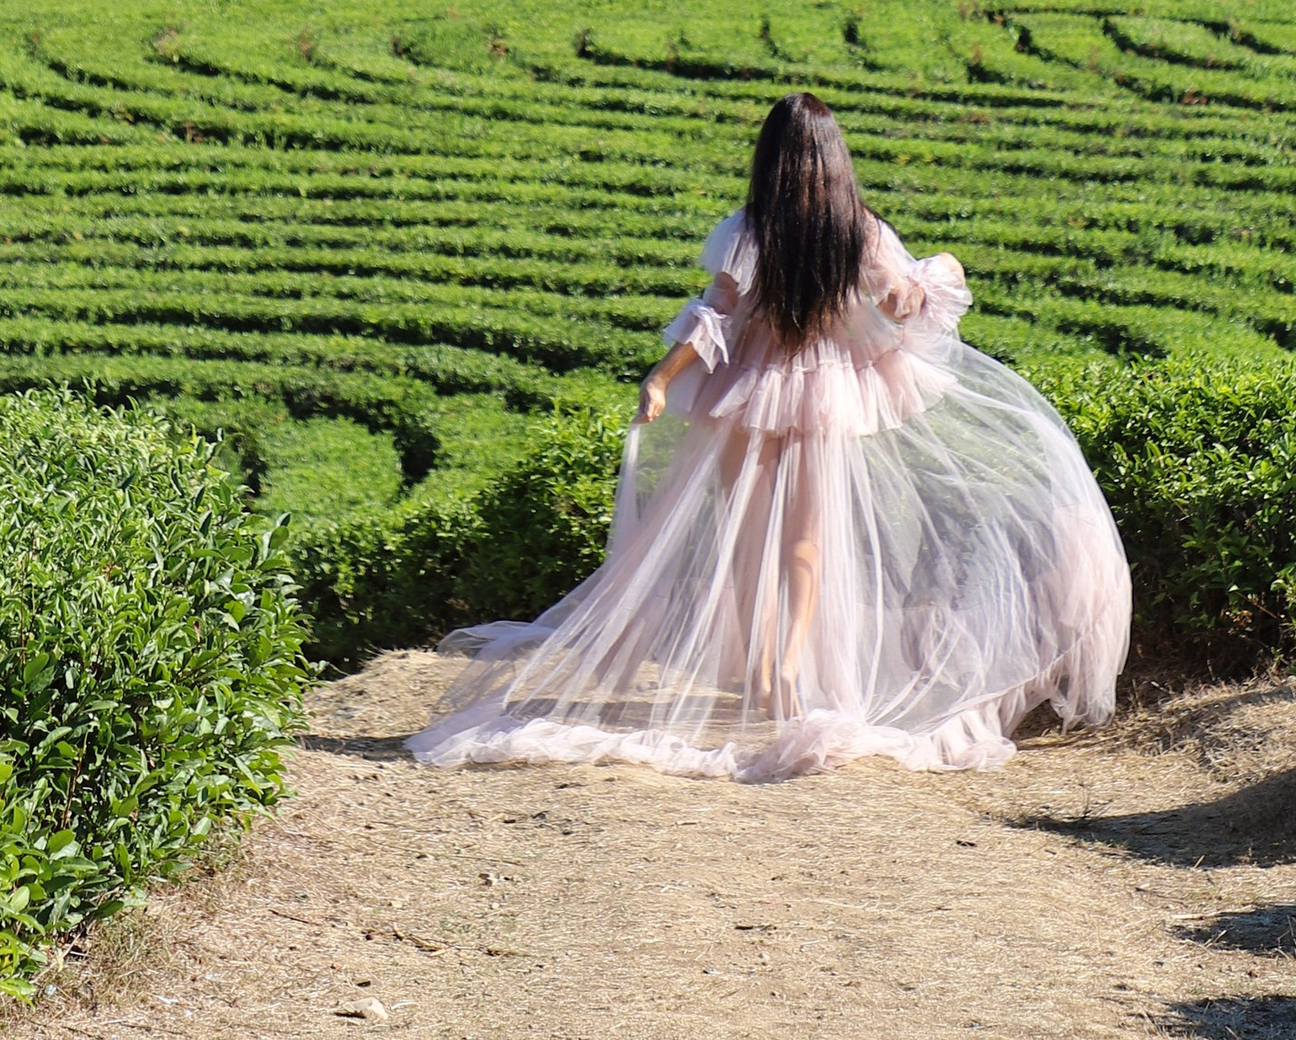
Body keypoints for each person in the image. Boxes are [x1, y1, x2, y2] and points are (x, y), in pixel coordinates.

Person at [407, 92, 1131, 780]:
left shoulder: (750, 230)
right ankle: (781, 668)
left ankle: (765, 669)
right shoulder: (860, 231)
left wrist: (664, 375)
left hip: (749, 391)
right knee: (806, 540)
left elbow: (716, 315)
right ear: (834, 158)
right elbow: (904, 296)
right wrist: (931, 279)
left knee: (749, 534)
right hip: (822, 392)